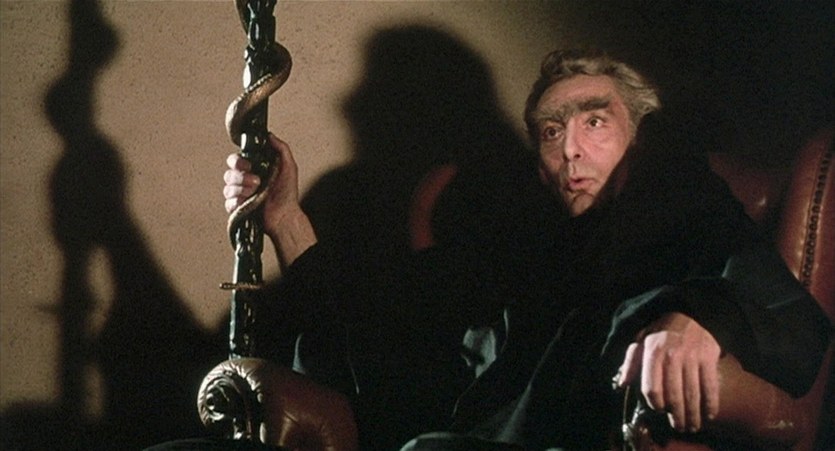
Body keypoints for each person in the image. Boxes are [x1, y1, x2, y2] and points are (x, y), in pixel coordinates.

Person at [220, 49, 830, 450]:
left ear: (641, 138)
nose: (570, 150)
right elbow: (384, 339)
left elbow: (794, 319)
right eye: (551, 132)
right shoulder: (515, 246)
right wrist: (287, 221)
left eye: (595, 122)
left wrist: (699, 317)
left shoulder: (687, 207)